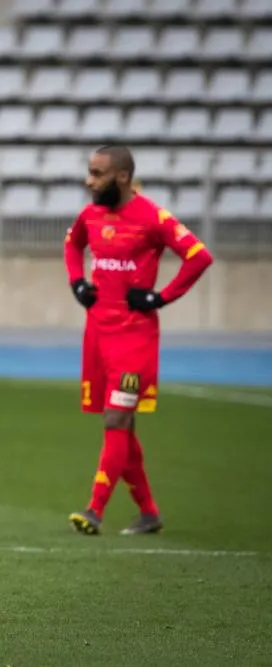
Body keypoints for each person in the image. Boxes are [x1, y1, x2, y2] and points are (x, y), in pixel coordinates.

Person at [63, 145, 214, 536]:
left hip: (135, 340)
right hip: (97, 335)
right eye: (89, 171)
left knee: (117, 417)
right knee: (122, 429)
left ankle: (94, 509)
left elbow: (198, 257)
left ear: (123, 177)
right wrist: (77, 281)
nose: (89, 181)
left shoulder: (152, 217)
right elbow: (72, 244)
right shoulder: (91, 215)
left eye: (97, 173)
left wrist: (160, 297)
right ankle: (149, 514)